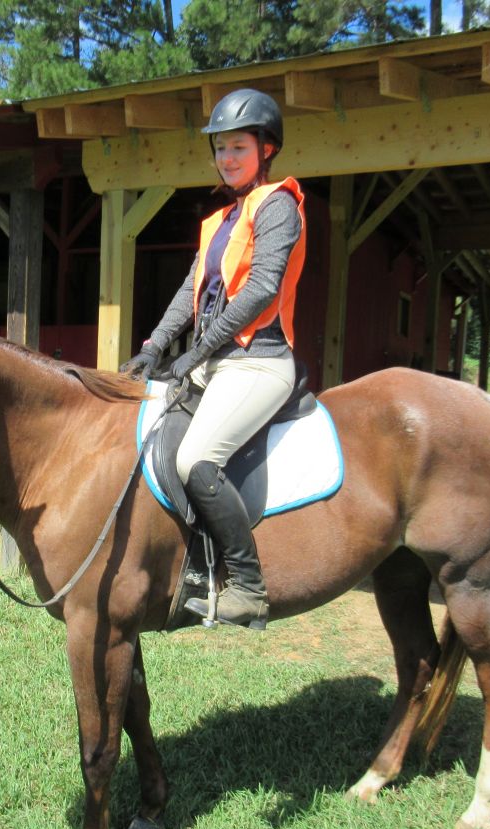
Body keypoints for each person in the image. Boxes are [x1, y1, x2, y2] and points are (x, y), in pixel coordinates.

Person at [119, 88, 307, 630]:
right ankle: (194, 569)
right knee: (159, 445)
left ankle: (247, 586)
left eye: (238, 147)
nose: (227, 158)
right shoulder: (221, 220)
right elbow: (190, 291)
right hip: (214, 365)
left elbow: (263, 289)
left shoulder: (278, 207)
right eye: (220, 149)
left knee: (195, 461)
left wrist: (197, 350)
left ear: (266, 149)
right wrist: (154, 346)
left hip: (260, 361)